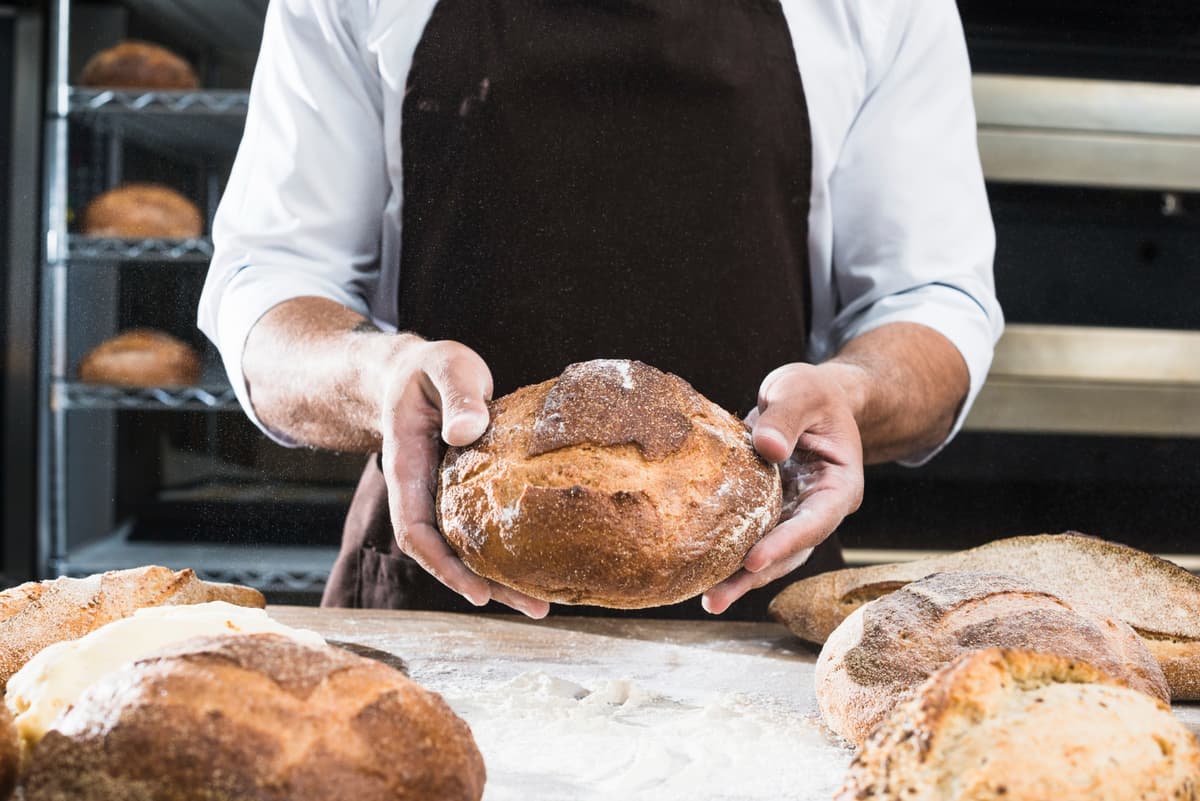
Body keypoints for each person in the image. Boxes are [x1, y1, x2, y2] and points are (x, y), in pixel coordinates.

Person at [199, 0, 1003, 621]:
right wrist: (379, 376)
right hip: (443, 600)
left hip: (749, 593)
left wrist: (853, 393)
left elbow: (932, 299)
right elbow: (268, 283)